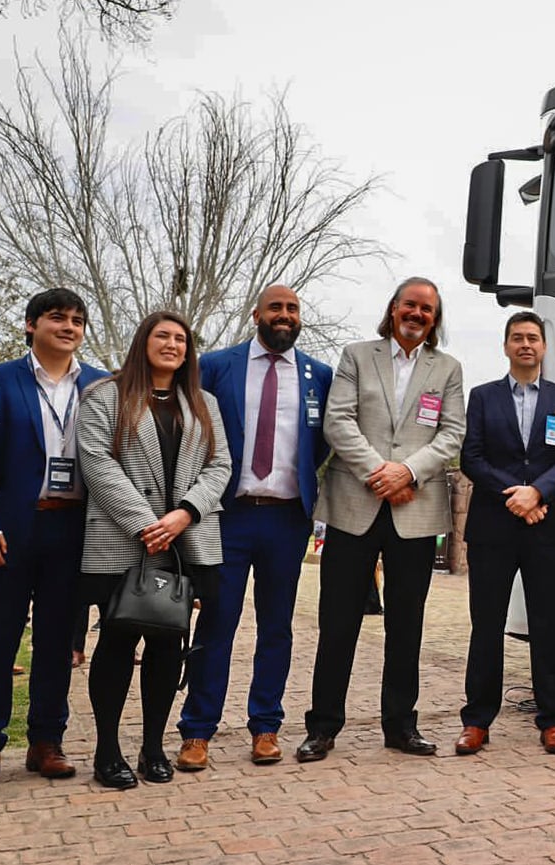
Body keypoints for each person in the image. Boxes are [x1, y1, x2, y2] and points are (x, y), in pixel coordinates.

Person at [296, 277, 466, 762]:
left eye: (427, 310)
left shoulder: (448, 369)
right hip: (355, 506)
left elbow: (452, 434)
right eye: (410, 305)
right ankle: (323, 727)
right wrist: (381, 472)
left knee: (407, 625)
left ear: (434, 319)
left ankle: (400, 725)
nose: (417, 314)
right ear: (393, 309)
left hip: (415, 511)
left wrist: (409, 471)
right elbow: (338, 421)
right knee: (337, 623)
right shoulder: (356, 356)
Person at [174, 285, 333, 770]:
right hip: (228, 516)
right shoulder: (218, 367)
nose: (284, 316)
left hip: (287, 519)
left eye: (292, 309)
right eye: (276, 308)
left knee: (277, 627)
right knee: (217, 622)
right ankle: (197, 731)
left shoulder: (318, 376)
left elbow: (320, 444)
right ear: (256, 315)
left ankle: (266, 726)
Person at [77, 311, 233, 789]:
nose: (171, 344)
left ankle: (151, 747)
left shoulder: (202, 402)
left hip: (186, 541)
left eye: (180, 339)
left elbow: (220, 464)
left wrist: (185, 513)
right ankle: (107, 750)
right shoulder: (105, 395)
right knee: (117, 642)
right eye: (162, 335)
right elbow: (96, 462)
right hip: (123, 539)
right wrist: (147, 524)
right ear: (143, 342)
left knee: (169, 644)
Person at [0, 289, 107, 785]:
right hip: (9, 530)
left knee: (59, 642)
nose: (70, 327)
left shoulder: (102, 385)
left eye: (78, 320)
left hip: (73, 528)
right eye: (58, 318)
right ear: (31, 325)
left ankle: (46, 742)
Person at [457, 311, 555, 756]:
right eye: (518, 338)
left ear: (544, 347)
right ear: (506, 345)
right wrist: (514, 495)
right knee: (486, 626)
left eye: (533, 337)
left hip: (546, 528)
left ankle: (552, 720)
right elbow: (471, 456)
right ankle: (476, 721)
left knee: (549, 626)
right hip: (494, 527)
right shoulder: (483, 397)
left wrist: (538, 493)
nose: (526, 344)